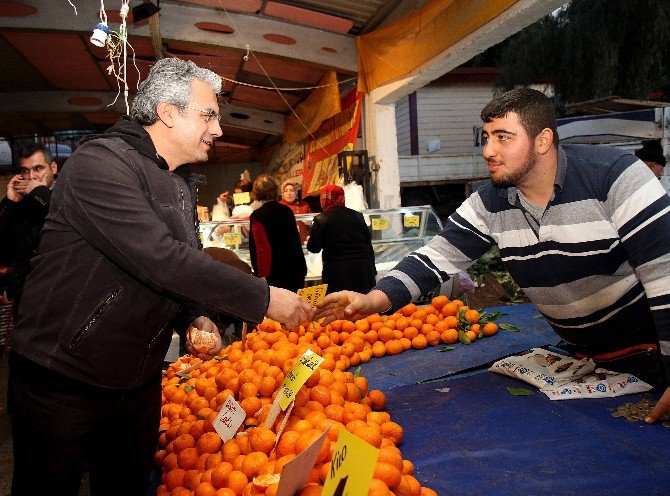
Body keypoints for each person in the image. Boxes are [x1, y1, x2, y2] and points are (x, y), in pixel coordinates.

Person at [7, 58, 313, 496]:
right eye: (209, 115)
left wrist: (194, 318)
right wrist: (265, 299)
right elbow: (159, 259)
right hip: (63, 378)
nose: (218, 130)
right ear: (168, 112)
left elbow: (179, 265)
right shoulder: (99, 163)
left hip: (136, 382)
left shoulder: (178, 182)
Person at [315, 87, 670, 424]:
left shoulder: (614, 177)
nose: (488, 150)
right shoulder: (492, 201)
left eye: (503, 137)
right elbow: (435, 257)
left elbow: (665, 274)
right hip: (584, 361)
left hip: (649, 354)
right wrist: (372, 300)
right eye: (486, 137)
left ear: (543, 140)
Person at [0, 143, 57, 316]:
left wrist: (39, 191)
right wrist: (9, 202)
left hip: (60, 294)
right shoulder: (18, 204)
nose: (31, 177)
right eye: (25, 171)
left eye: (38, 168)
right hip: (26, 297)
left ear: (53, 168)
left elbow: (62, 209)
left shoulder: (66, 192)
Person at [307, 184, 376, 294]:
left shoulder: (321, 219)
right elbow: (368, 244)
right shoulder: (357, 216)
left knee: (342, 307)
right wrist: (373, 269)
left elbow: (313, 248)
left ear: (324, 199)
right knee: (364, 307)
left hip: (337, 272)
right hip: (363, 269)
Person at [249, 174, 307, 292]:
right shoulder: (287, 211)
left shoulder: (258, 216)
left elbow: (261, 249)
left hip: (274, 276)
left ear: (257, 192)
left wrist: (261, 277)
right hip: (294, 271)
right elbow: (295, 242)